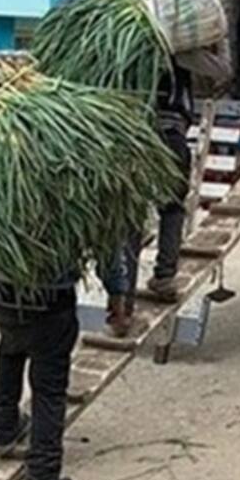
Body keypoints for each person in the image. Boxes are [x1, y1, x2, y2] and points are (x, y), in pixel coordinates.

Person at [99, 61, 193, 334]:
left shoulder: (126, 57)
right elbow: (221, 69)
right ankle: (164, 276)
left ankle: (121, 311)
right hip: (170, 136)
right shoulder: (181, 53)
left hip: (133, 140)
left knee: (129, 221)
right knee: (172, 208)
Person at [0, 267, 79, 480]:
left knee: (11, 345)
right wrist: (117, 294)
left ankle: (4, 429)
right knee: (49, 389)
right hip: (50, 302)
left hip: (1, 293)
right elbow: (107, 251)